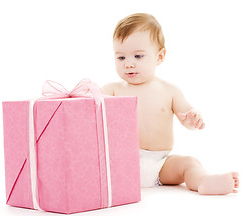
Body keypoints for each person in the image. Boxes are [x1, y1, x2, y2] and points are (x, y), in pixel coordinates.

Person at [102, 13, 239, 194]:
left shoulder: (170, 91)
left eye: (138, 56)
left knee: (188, 163)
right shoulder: (112, 90)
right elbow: (90, 111)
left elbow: (186, 116)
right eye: (121, 58)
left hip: (161, 165)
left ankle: (203, 181)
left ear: (159, 56)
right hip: (123, 162)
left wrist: (192, 119)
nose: (128, 64)